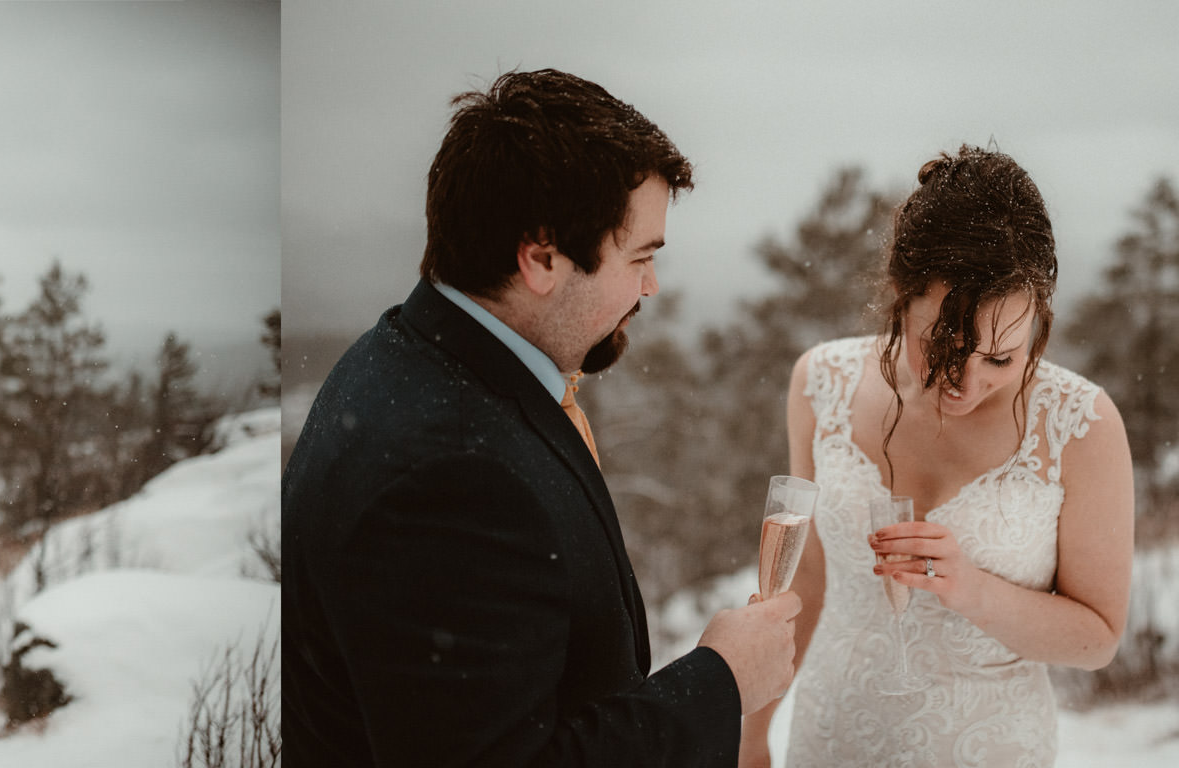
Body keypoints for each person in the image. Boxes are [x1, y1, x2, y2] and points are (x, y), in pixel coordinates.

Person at [284, 68, 802, 766]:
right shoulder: (451, 474)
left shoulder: (410, 360)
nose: (650, 285)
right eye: (640, 255)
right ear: (541, 258)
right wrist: (720, 681)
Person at [744, 146, 1134, 767]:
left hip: (990, 747)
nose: (967, 382)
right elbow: (808, 582)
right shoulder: (820, 384)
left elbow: (1098, 639)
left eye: (1001, 358)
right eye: (944, 346)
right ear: (900, 294)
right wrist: (751, 736)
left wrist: (973, 589)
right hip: (833, 733)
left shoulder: (1081, 426)